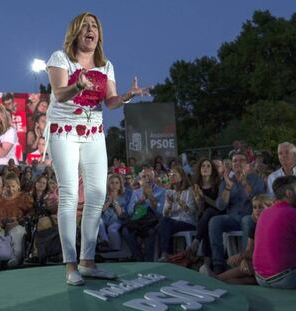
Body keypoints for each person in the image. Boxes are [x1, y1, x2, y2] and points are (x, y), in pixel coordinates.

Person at [45, 12, 150, 286]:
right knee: (69, 195)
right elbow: (58, 94)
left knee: (97, 194)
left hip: (93, 132)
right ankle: (70, 267)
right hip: (64, 130)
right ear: (76, 33)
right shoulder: (60, 58)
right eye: (85, 26)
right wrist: (76, 84)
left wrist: (127, 95)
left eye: (95, 26)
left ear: (99, 34)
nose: (90, 30)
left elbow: (110, 101)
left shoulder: (106, 65)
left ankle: (87, 262)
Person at [208, 152, 265, 274]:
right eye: (234, 161)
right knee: (214, 221)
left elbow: (259, 202)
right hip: (232, 218)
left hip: (250, 217)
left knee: (246, 220)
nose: (237, 163)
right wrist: (228, 187)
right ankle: (218, 264)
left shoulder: (256, 179)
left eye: (241, 160)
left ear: (247, 164)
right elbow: (220, 206)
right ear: (231, 165)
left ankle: (245, 262)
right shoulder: (227, 181)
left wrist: (245, 184)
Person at [203, 195, 273, 284]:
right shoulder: (254, 228)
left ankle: (215, 279)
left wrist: (240, 256)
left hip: (270, 267)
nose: (257, 210)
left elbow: (264, 254)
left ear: (270, 209)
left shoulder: (271, 227)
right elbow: (249, 250)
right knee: (242, 279)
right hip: (258, 269)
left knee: (249, 268)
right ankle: (217, 281)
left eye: (261, 207)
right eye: (254, 207)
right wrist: (244, 259)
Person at [0, 173, 33, 268]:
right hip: (0, 225)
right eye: (8, 186)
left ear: (18, 186)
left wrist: (17, 222)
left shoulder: (24, 197)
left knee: (17, 232)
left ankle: (15, 258)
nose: (10, 189)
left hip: (16, 225)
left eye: (13, 186)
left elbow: (31, 213)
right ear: (4, 186)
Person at [187, 158, 221, 270]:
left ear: (212, 170)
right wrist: (199, 199)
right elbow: (200, 210)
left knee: (209, 213)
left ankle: (196, 242)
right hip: (204, 218)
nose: (205, 168)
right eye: (203, 166)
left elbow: (219, 206)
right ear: (199, 170)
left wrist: (204, 197)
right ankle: (207, 262)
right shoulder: (196, 187)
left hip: (218, 213)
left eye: (208, 166)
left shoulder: (218, 184)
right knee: (206, 219)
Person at [157, 166, 197, 262]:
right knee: (161, 224)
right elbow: (165, 214)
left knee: (164, 224)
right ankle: (165, 254)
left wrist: (179, 201)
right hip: (173, 222)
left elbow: (191, 211)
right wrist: (169, 205)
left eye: (174, 174)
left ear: (182, 177)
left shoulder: (189, 191)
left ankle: (165, 253)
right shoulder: (169, 192)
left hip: (188, 222)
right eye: (170, 175)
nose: (171, 176)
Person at [99, 174, 129, 251]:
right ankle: (105, 241)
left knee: (112, 229)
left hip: (117, 220)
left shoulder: (123, 197)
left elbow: (120, 214)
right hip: (104, 218)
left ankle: (116, 250)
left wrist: (114, 201)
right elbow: (101, 211)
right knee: (98, 221)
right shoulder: (103, 196)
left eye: (117, 183)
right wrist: (109, 201)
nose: (114, 185)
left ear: (120, 185)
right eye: (112, 183)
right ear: (108, 185)